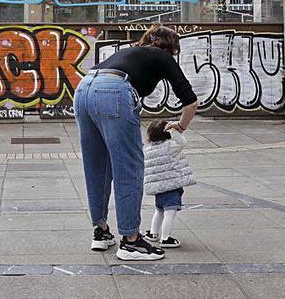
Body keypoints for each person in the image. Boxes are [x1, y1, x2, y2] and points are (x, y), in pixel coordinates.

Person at [75, 24, 198, 261]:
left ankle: (100, 232)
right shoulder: (163, 56)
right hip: (113, 92)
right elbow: (190, 101)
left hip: (83, 89)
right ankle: (131, 242)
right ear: (172, 47)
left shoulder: (132, 51)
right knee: (128, 168)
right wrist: (181, 126)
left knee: (96, 166)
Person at [142, 119, 195, 249]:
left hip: (159, 188)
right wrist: (174, 129)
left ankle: (153, 233)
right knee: (169, 213)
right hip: (171, 187)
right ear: (167, 133)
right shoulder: (171, 146)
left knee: (159, 210)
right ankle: (165, 239)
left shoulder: (148, 150)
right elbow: (183, 142)